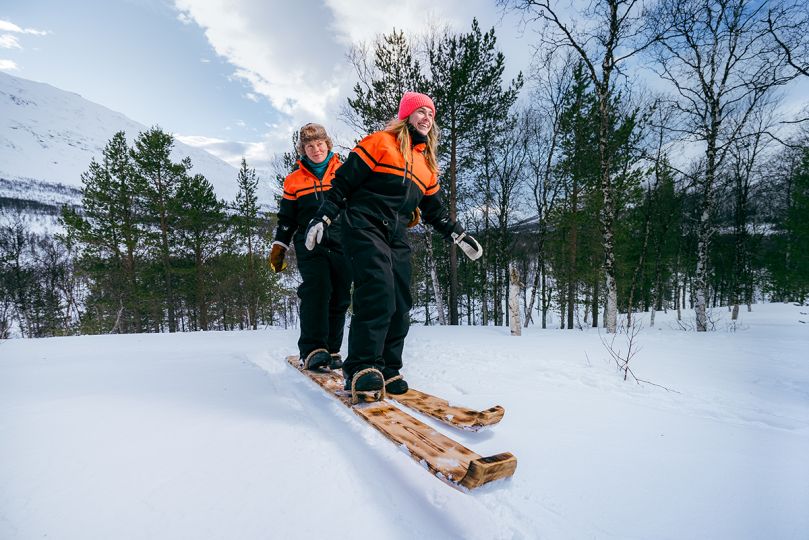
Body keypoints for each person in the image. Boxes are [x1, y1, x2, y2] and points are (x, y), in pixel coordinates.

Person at [304, 92, 483, 396]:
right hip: (363, 223)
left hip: (396, 231)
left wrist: (458, 234)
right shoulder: (380, 142)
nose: (427, 117)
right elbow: (343, 183)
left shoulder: (426, 163)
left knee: (401, 301)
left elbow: (434, 209)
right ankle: (362, 367)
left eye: (431, 113)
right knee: (377, 291)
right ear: (406, 115)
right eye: (420, 111)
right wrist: (323, 217)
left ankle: (387, 367)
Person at [270, 123, 351, 370]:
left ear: (328, 145)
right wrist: (279, 246)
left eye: (319, 144)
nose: (316, 150)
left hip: (342, 241)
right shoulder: (294, 180)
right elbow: (287, 218)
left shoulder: (345, 172)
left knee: (339, 295)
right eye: (309, 146)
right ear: (303, 150)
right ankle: (314, 349)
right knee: (317, 290)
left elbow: (365, 199)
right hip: (309, 242)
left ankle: (333, 349)